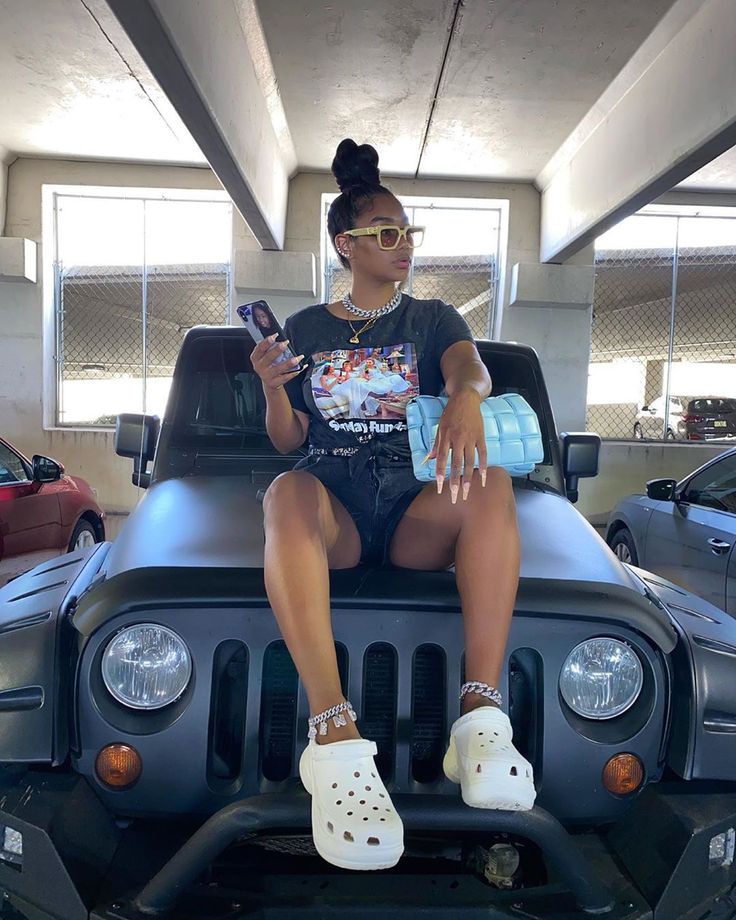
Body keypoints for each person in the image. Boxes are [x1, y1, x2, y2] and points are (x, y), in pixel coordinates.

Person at [249, 138, 534, 872]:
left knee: (492, 484)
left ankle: (480, 715)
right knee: (285, 493)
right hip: (335, 510)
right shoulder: (308, 329)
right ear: (346, 245)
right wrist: (274, 387)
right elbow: (289, 443)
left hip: (411, 509)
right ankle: (334, 733)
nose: (402, 245)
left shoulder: (432, 319)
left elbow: (465, 364)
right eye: (385, 234)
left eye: (409, 233)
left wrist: (469, 396)